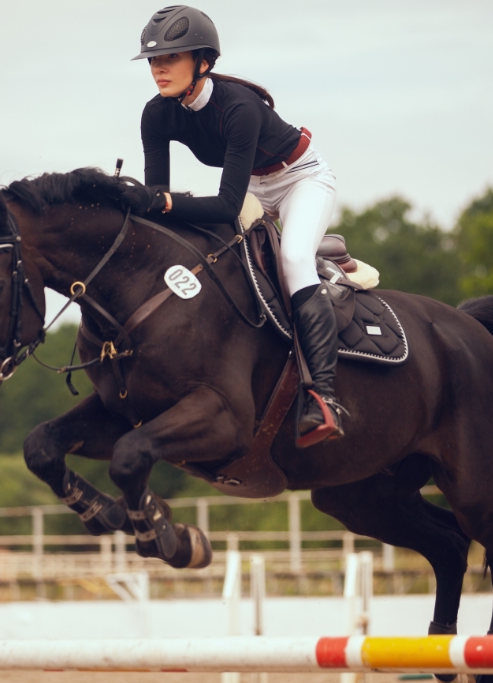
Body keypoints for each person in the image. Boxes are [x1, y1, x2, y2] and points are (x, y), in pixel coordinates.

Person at [120, 5, 344, 447]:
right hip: (255, 188)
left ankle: (324, 397)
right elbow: (156, 202)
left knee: (295, 260)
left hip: (301, 179)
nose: (158, 69)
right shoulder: (156, 114)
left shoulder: (239, 107)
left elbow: (222, 206)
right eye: (153, 61)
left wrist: (163, 202)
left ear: (203, 62)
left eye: (171, 58)